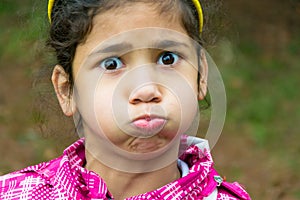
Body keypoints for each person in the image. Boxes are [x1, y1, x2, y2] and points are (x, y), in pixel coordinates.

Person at [0, 0, 251, 199]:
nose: (146, 90)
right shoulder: (15, 194)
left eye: (167, 58)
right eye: (112, 64)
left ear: (201, 75)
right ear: (67, 91)